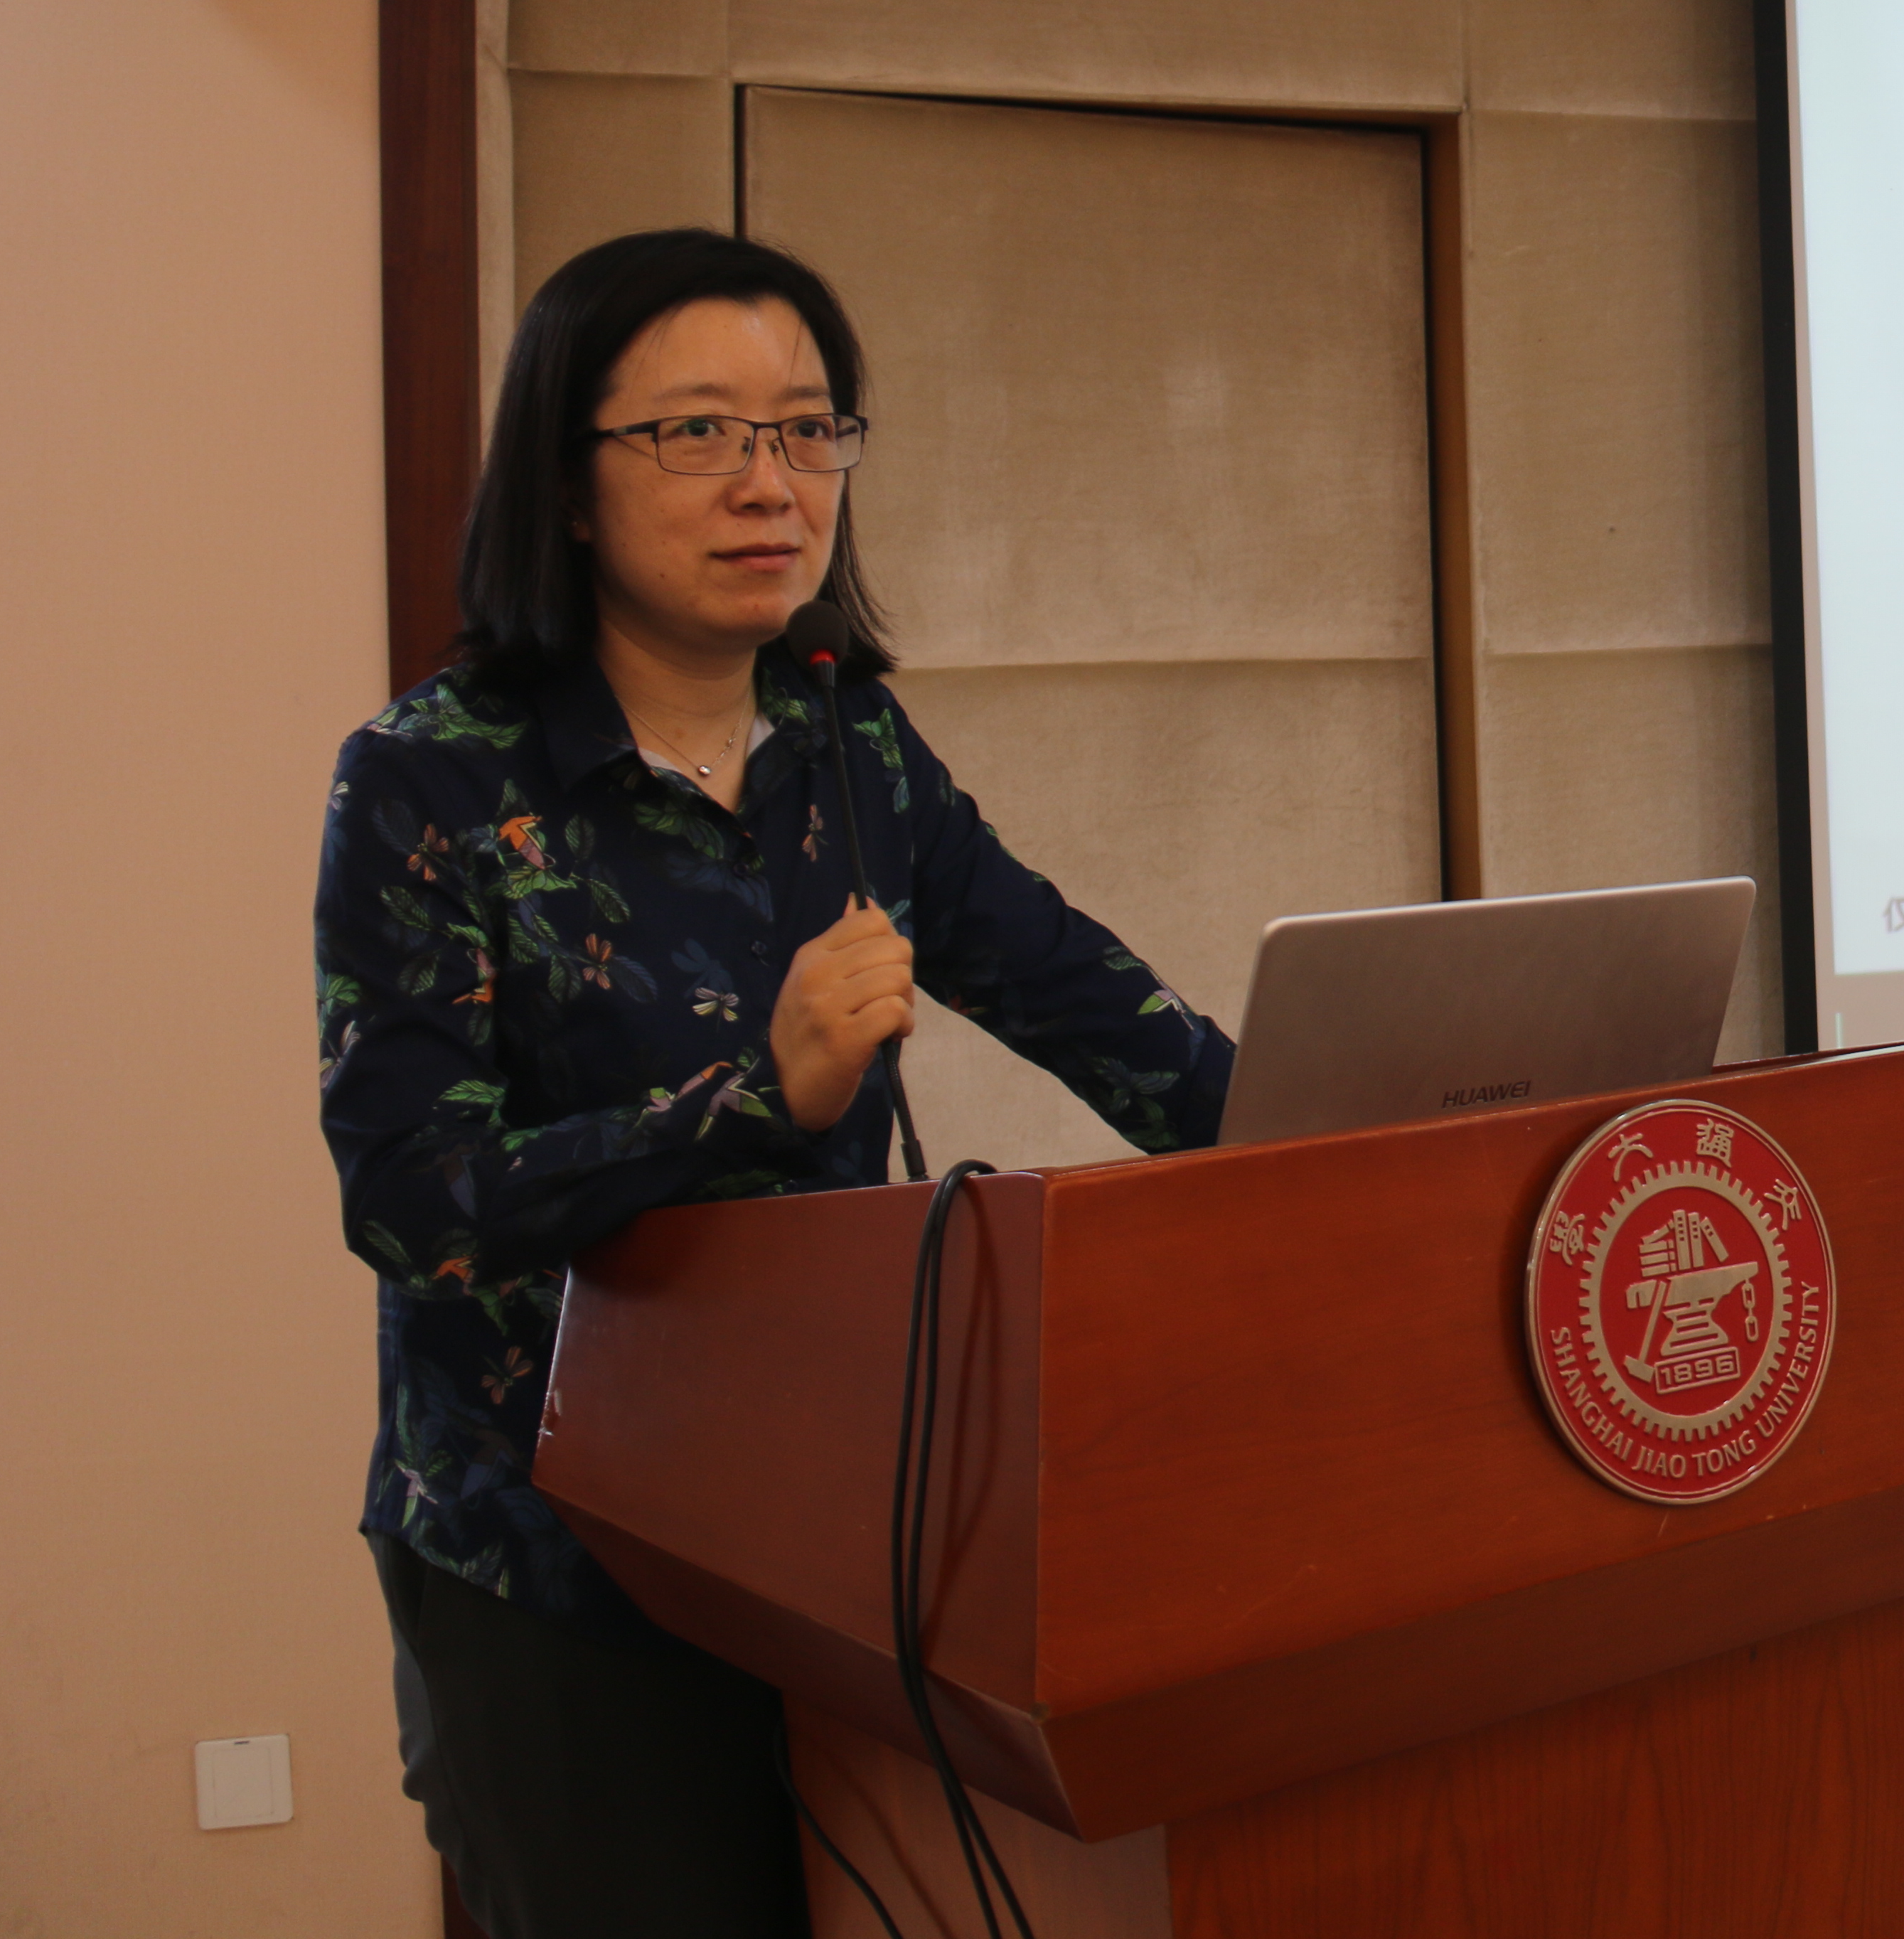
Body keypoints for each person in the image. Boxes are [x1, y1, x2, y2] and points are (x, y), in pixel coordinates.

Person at [316, 228, 1231, 1936]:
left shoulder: (846, 740)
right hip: (559, 1568)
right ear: (567, 483)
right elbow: (411, 1198)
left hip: (829, 1531)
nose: (770, 483)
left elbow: (1082, 996)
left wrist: (1341, 1133)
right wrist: (753, 1094)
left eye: (808, 430)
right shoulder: (429, 780)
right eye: (698, 433)